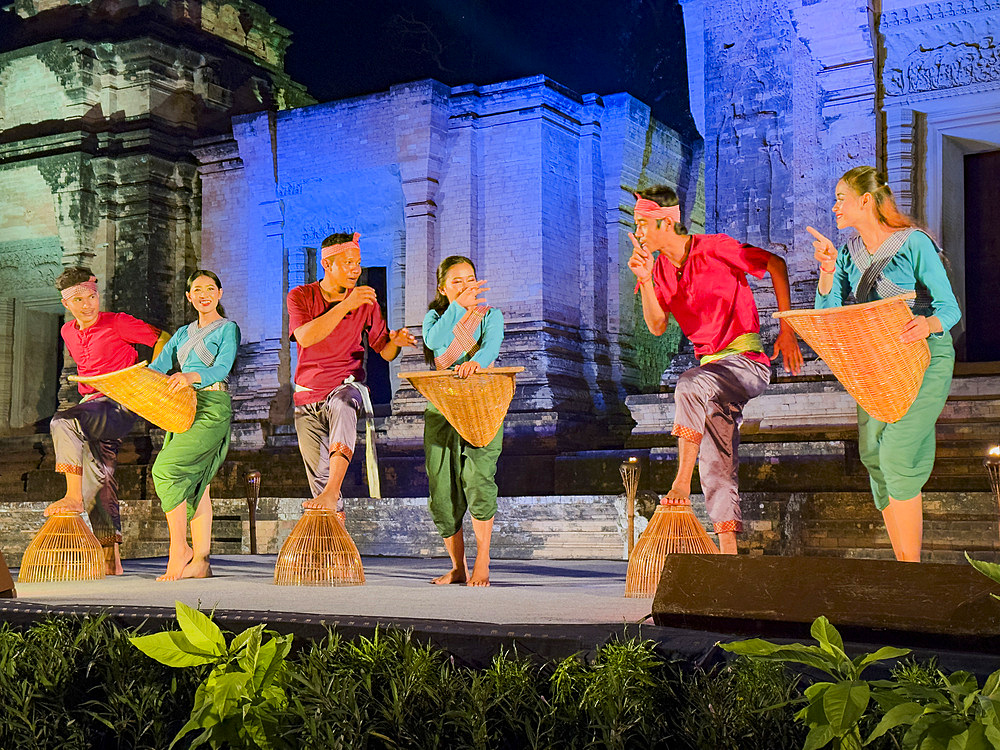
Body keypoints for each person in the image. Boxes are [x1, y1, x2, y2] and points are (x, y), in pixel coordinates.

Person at [628, 187, 803, 554]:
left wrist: (788, 329)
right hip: (713, 376)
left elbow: (775, 264)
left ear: (665, 220)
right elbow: (657, 325)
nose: (638, 231)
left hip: (746, 364)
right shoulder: (659, 268)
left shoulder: (715, 247)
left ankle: (680, 483)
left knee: (689, 384)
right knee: (715, 460)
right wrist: (645, 278)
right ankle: (728, 558)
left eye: (643, 223)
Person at [808, 166, 960, 562]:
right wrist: (827, 271)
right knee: (873, 456)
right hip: (875, 364)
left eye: (841, 198)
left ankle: (911, 572)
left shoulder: (914, 244)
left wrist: (925, 323)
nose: (835, 206)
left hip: (924, 358)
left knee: (896, 452)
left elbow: (949, 309)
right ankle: (903, 563)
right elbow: (831, 315)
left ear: (865, 201)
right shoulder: (847, 254)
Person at [46, 267, 169, 575]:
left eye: (92, 296)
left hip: (119, 404)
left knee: (61, 423)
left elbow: (163, 338)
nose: (88, 304)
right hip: (91, 406)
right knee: (102, 474)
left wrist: (150, 377)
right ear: (66, 303)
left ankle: (72, 495)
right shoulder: (67, 332)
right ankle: (110, 558)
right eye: (79, 299)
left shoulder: (118, 322)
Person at [286, 232, 416, 520]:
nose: (356, 269)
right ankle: (334, 546)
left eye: (357, 262)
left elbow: (384, 350)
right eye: (347, 263)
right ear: (326, 265)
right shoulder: (301, 296)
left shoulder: (366, 302)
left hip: (347, 386)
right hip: (307, 394)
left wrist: (396, 340)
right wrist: (346, 304)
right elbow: (306, 337)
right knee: (319, 485)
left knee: (343, 404)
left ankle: (334, 490)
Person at [149, 270, 240, 580]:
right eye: (197, 289)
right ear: (189, 297)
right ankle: (200, 561)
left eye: (210, 288)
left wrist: (189, 376)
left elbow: (222, 368)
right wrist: (125, 383)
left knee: (165, 469)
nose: (204, 294)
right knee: (199, 484)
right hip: (183, 409)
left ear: (219, 293)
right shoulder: (182, 334)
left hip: (212, 408)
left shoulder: (227, 329)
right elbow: (157, 369)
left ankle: (179, 549)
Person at [422, 256, 504, 586]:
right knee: (441, 489)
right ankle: (458, 567)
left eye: (470, 278)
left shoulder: (490, 315)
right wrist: (457, 307)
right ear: (442, 288)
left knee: (479, 478)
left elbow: (490, 348)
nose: (466, 285)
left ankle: (482, 559)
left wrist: (478, 364)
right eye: (457, 281)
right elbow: (435, 343)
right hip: (442, 407)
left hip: (483, 403)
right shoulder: (435, 317)